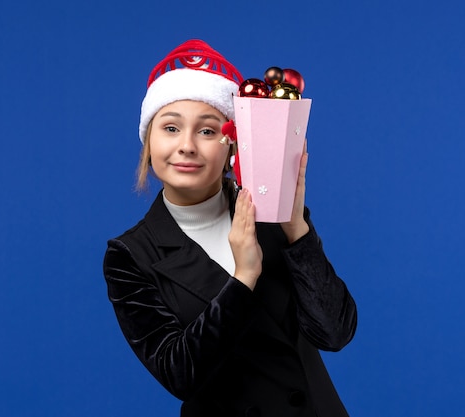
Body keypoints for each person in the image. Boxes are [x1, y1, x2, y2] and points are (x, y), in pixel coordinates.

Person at [103, 39, 357, 417]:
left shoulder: (269, 213)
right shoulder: (131, 255)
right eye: (170, 128)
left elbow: (334, 334)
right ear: (148, 142)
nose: (187, 146)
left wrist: (296, 228)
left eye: (207, 131)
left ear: (230, 145)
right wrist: (244, 277)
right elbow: (180, 374)